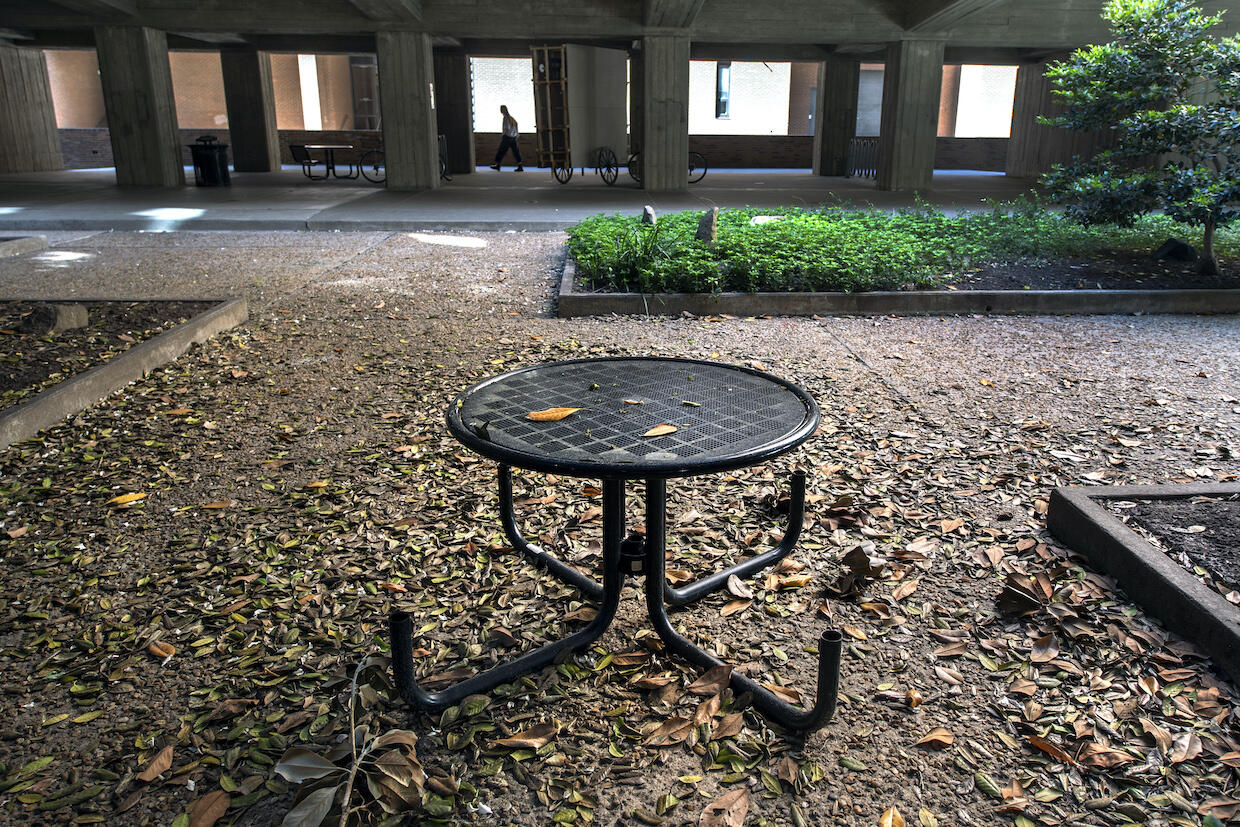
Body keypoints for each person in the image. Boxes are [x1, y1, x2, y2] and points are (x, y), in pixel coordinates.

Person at [490, 105, 523, 171]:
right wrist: (516, 134)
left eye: (501, 109)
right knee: (516, 152)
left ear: (503, 110)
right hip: (513, 138)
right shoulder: (511, 118)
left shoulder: (505, 118)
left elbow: (506, 128)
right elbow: (516, 124)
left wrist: (503, 135)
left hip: (507, 137)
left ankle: (498, 165)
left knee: (501, 151)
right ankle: (520, 166)